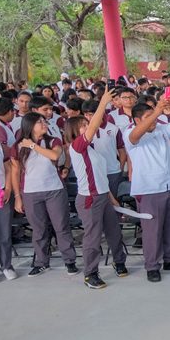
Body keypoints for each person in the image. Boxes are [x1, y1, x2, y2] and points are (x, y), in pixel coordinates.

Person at [123, 98, 170, 282]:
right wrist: (157, 111)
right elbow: (135, 136)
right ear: (137, 120)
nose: (154, 119)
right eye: (148, 116)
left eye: (154, 115)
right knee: (152, 230)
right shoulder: (130, 132)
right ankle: (152, 265)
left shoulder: (162, 129)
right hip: (150, 189)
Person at [64, 89, 128, 288]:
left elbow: (100, 177)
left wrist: (111, 197)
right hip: (90, 199)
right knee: (92, 237)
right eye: (84, 125)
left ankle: (119, 261)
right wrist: (103, 102)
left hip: (103, 195)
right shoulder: (77, 147)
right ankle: (90, 274)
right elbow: (93, 127)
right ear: (75, 131)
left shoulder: (92, 150)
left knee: (114, 231)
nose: (88, 126)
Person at [11, 112, 78, 276]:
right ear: (29, 125)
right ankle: (41, 262)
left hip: (54, 189)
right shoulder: (18, 146)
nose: (44, 124)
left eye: (44, 121)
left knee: (61, 226)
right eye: (39, 122)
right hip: (30, 192)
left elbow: (54, 155)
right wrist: (18, 197)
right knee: (38, 229)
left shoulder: (52, 141)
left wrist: (33, 146)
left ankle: (70, 261)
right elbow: (15, 172)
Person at [0, 135, 16, 281]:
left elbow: (9, 168)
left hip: (2, 194)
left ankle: (7, 266)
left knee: (5, 233)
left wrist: (8, 189)